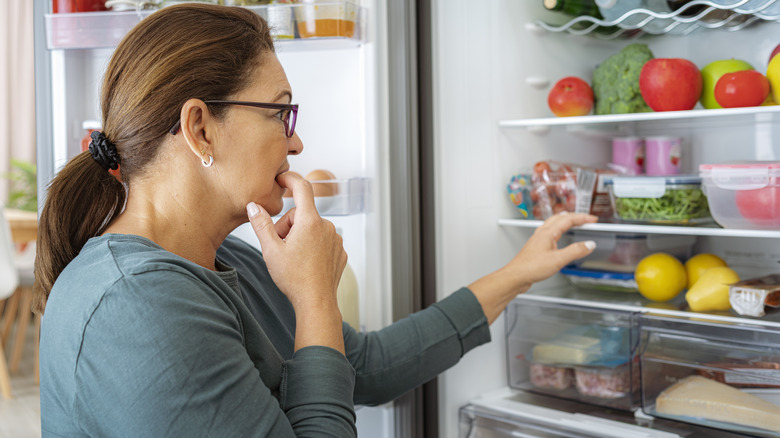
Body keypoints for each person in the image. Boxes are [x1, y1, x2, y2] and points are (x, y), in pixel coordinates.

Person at [33, 4, 598, 437]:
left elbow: (366, 366)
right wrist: (314, 297)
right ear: (200, 128)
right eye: (281, 113)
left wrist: (521, 271)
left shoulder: (227, 259)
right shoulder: (138, 307)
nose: (297, 141)